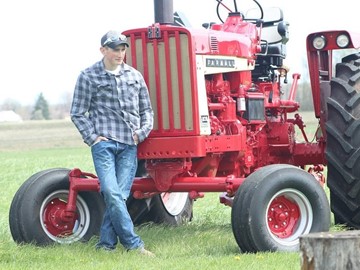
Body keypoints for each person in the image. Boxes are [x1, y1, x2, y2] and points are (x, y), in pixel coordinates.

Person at [70, 30, 154, 256]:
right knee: (111, 191)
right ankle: (134, 245)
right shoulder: (88, 76)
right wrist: (93, 138)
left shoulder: (134, 76)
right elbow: (78, 112)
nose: (120, 53)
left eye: (123, 49)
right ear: (103, 50)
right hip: (104, 146)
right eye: (115, 49)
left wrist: (141, 133)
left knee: (119, 196)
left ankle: (106, 245)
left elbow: (147, 110)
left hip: (129, 145)